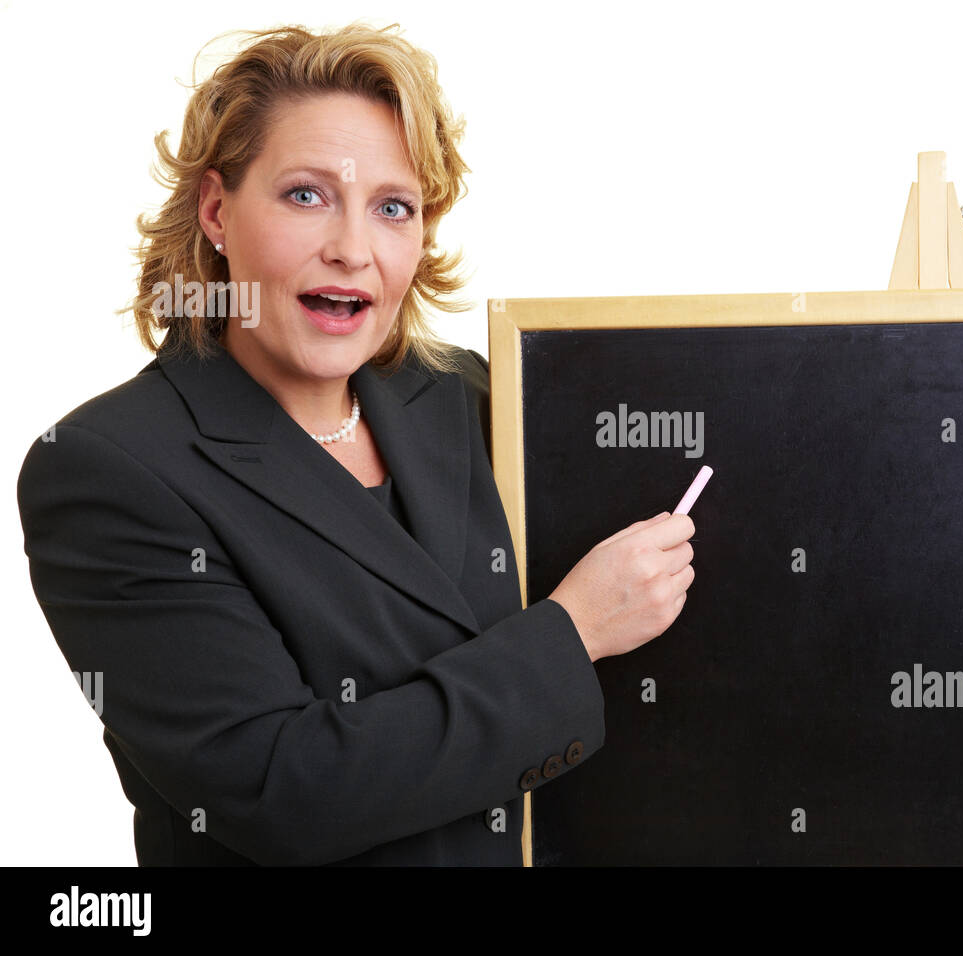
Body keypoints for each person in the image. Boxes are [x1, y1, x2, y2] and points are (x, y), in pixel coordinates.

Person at [15, 22, 695, 866]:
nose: (352, 248)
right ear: (218, 211)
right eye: (306, 195)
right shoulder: (106, 469)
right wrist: (572, 634)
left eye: (393, 208)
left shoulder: (474, 399)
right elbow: (282, 789)